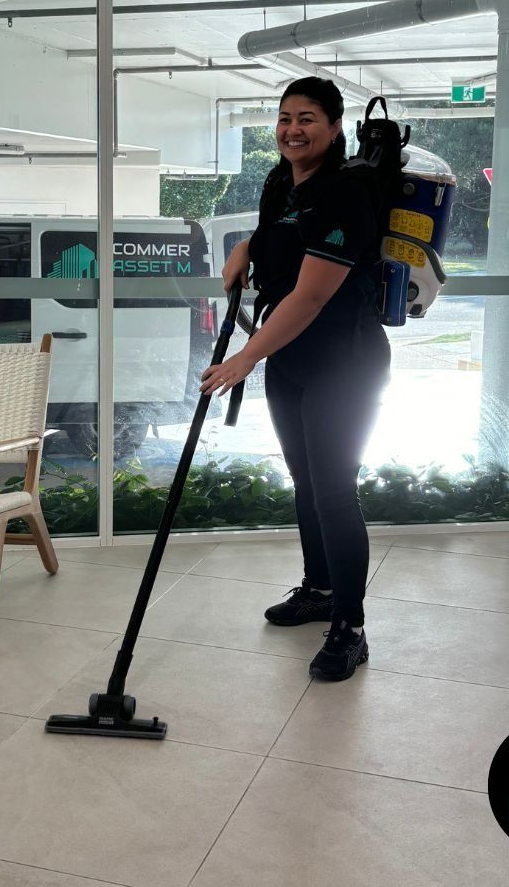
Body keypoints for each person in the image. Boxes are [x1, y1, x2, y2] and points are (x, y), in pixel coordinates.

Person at [200, 76, 391, 681]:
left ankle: (351, 627)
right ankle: (319, 590)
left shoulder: (347, 196)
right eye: (284, 118)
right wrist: (242, 250)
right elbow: (273, 233)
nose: (292, 129)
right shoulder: (280, 181)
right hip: (291, 359)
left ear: (335, 128)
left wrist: (244, 358)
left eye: (306, 118)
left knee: (334, 489)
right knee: (305, 481)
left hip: (345, 361)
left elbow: (309, 298)